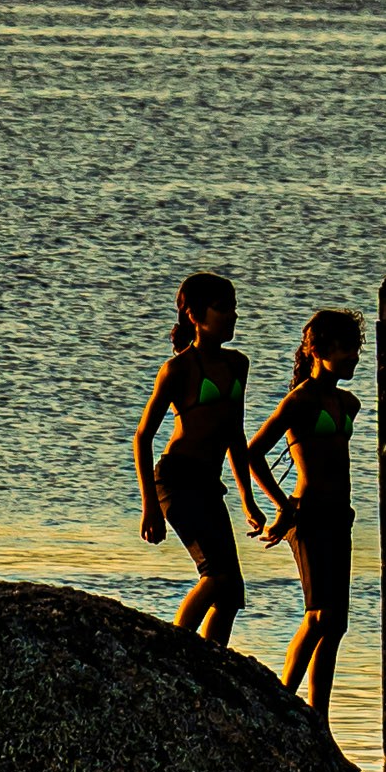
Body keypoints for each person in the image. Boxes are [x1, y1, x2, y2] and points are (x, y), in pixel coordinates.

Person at [134, 270, 265, 648]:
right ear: (194, 315)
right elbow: (142, 438)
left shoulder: (238, 364)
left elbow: (234, 436)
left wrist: (248, 500)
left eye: (234, 308)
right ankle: (175, 651)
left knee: (231, 594)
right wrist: (150, 508)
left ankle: (212, 665)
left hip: (208, 483)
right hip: (175, 481)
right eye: (222, 309)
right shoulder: (178, 369)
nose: (232, 316)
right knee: (216, 576)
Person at [248, 307, 363, 730]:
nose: (354, 357)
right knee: (318, 616)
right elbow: (252, 453)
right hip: (309, 515)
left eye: (356, 349)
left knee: (336, 624)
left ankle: (319, 718)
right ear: (319, 350)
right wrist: (282, 505)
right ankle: (280, 707)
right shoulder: (300, 400)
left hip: (340, 516)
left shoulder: (347, 403)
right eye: (345, 349)